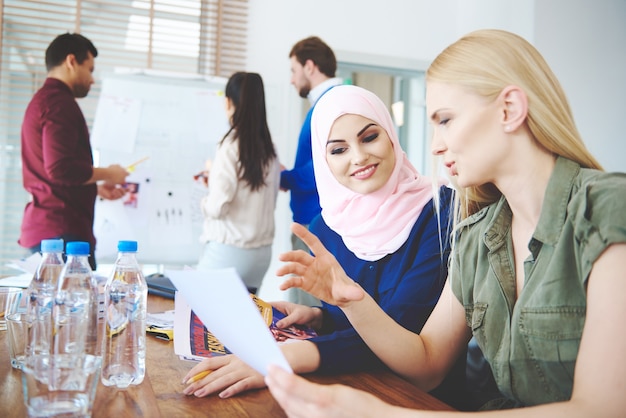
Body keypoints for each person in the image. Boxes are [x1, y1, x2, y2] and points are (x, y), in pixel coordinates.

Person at [265, 29, 626, 417]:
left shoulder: (607, 208)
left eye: (445, 120)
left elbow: (603, 408)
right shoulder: (476, 235)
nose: (435, 145)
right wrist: (353, 303)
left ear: (509, 109)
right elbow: (427, 367)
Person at [183, 85, 465, 406]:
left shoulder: (443, 212)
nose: (358, 157)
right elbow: (357, 319)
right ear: (323, 160)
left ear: (391, 136)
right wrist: (319, 317)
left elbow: (402, 329)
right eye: (338, 150)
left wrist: (287, 356)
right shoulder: (327, 227)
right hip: (344, 394)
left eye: (370, 137)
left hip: (420, 403)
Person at [19, 33, 129, 270]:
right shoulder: (59, 103)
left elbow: (52, 172)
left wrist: (95, 187)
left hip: (51, 228)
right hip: (61, 233)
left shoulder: (44, 101)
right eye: (89, 69)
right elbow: (60, 169)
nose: (92, 80)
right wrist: (109, 173)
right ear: (71, 61)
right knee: (74, 307)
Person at [196, 72, 280, 294]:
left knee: (197, 317)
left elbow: (217, 207)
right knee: (240, 322)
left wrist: (204, 201)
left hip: (229, 251)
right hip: (261, 257)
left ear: (228, 102)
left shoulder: (230, 145)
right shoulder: (269, 150)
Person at [281, 36, 343, 305]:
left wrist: (282, 178)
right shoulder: (326, 103)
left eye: (293, 71)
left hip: (315, 222)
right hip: (314, 219)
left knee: (307, 307)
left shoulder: (329, 103)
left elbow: (322, 167)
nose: (292, 80)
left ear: (309, 66)